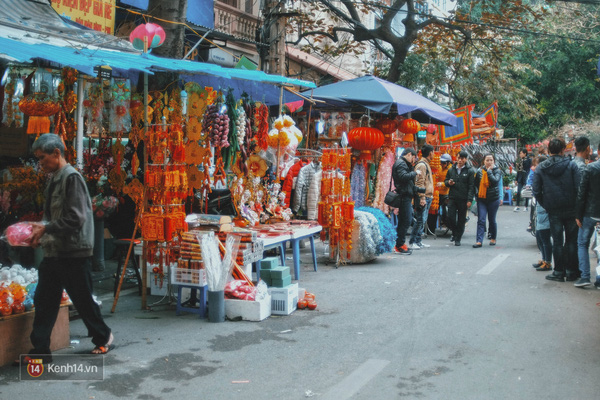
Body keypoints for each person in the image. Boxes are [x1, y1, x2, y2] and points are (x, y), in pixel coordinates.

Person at [28, 133, 113, 362]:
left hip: (74, 252)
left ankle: (103, 337)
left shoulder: (71, 177)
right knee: (44, 301)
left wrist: (46, 230)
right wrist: (40, 234)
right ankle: (41, 351)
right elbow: (52, 217)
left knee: (82, 299)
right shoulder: (55, 177)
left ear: (57, 153)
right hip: (55, 251)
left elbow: (76, 218)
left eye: (43, 158)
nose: (41, 163)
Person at [532, 138, 581, 282]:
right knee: (571, 241)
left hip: (553, 210)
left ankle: (559, 272)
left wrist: (546, 204)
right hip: (571, 209)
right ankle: (572, 271)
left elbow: (536, 190)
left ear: (549, 151)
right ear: (563, 150)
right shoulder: (571, 165)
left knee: (557, 241)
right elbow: (579, 188)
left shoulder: (541, 167)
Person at [574, 152, 600, 288]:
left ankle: (585, 276)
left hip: (590, 213)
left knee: (582, 243)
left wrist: (578, 214)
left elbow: (581, 192)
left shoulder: (590, 168)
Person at [392, 148, 421, 255]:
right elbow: (403, 177)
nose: (414, 160)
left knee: (404, 221)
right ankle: (399, 245)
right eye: (414, 157)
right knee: (406, 221)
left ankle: (400, 244)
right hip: (404, 196)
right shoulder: (400, 163)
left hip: (405, 195)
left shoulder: (403, 163)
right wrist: (415, 173)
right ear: (409, 154)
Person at [444, 151, 475, 246]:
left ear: (466, 159)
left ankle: (458, 238)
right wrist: (448, 183)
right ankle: (455, 232)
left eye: (462, 158)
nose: (460, 160)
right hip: (452, 197)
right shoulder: (451, 169)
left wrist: (469, 199)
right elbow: (445, 181)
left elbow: (471, 186)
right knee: (450, 217)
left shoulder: (470, 171)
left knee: (462, 219)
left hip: (463, 198)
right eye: (459, 158)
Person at [473, 153, 502, 247]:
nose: (489, 162)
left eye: (491, 160)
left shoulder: (497, 171)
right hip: (482, 199)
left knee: (492, 219)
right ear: (483, 161)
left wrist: (489, 172)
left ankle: (493, 238)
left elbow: (495, 181)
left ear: (494, 161)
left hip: (493, 199)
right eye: (487, 160)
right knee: (481, 219)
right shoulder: (479, 172)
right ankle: (479, 240)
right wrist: (477, 196)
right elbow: (476, 184)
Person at [530, 156, 553, 272]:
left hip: (544, 209)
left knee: (544, 237)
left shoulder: (545, 176)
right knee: (540, 236)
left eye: (536, 164)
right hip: (540, 208)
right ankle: (544, 259)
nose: (534, 167)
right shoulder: (540, 175)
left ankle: (548, 262)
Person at [409, 144, 434, 250]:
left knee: (422, 220)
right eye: (433, 152)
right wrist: (422, 197)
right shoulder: (422, 165)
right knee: (420, 220)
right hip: (423, 196)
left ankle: (418, 241)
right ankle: (412, 241)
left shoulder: (425, 164)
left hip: (427, 196)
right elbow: (419, 182)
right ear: (430, 153)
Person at [437, 153, 452, 228]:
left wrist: (442, 184)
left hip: (446, 193)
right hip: (438, 192)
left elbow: (450, 181)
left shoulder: (451, 170)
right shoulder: (439, 167)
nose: (442, 164)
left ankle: (448, 224)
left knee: (445, 210)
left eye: (444, 163)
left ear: (448, 163)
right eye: (441, 162)